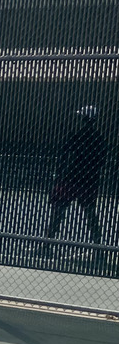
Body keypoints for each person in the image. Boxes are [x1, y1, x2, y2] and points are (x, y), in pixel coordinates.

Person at [38, 105, 107, 261]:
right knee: (91, 215)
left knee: (57, 213)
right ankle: (99, 249)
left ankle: (46, 245)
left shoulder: (75, 136)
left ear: (83, 119)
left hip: (70, 179)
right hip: (88, 181)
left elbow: (64, 157)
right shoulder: (99, 139)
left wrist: (60, 176)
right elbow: (102, 161)